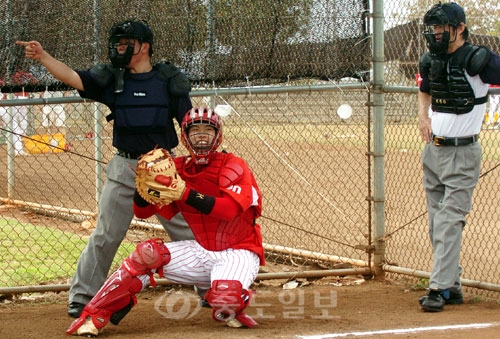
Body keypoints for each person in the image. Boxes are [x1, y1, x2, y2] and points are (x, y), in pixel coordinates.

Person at [16, 19, 198, 317]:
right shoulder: (114, 79)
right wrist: (44, 56)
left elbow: (189, 124)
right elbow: (74, 77)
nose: (119, 48)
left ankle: (213, 288)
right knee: (105, 235)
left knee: (188, 233)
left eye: (126, 43)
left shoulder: (168, 80)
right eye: (117, 43)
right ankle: (82, 297)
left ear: (145, 46)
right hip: (125, 167)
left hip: (164, 166)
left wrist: (195, 164)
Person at [66, 106, 265, 337]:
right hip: (201, 250)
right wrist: (142, 188)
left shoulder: (234, 165)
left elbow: (228, 211)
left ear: (218, 135)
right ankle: (95, 315)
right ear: (185, 136)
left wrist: (184, 193)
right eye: (195, 130)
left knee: (224, 300)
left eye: (208, 130)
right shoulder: (176, 169)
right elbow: (142, 213)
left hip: (238, 251)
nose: (201, 135)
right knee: (146, 255)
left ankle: (234, 303)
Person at [417, 2, 500, 312]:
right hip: (433, 150)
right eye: (432, 28)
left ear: (460, 28)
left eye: (441, 28)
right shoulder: (432, 59)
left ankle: (438, 288)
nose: (435, 34)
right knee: (437, 224)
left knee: (450, 221)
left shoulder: (479, 59)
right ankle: (453, 285)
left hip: (463, 152)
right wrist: (423, 117)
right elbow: (425, 88)